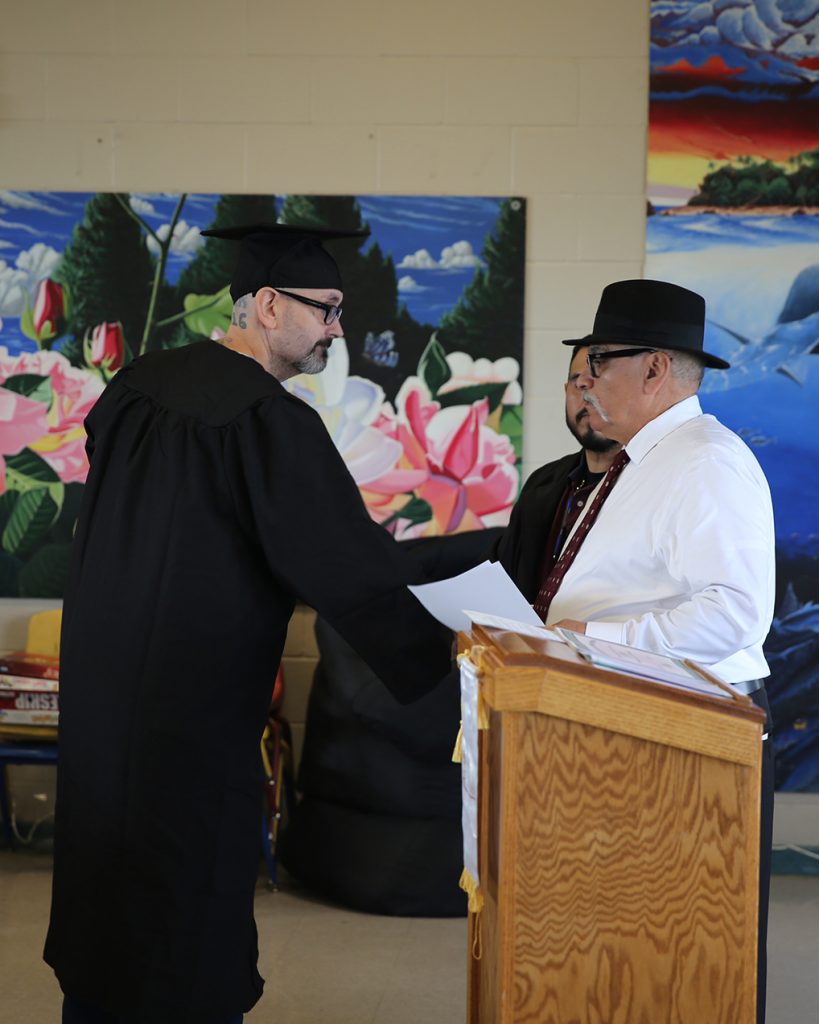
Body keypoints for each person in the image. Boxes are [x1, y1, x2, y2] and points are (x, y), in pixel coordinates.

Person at [44, 224, 450, 1024]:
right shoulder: (270, 422)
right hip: (192, 713)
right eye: (326, 309)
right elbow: (346, 568)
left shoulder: (134, 388)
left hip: (101, 700)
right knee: (184, 908)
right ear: (268, 306)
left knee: (105, 886)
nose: (337, 329)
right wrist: (444, 663)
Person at [536, 278, 775, 1024]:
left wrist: (591, 639)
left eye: (599, 360)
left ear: (652, 370)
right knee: (628, 947)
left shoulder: (704, 461)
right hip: (627, 729)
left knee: (687, 953)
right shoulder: (646, 457)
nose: (587, 378)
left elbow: (735, 611)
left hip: (686, 739)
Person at [494, 344, 621, 595]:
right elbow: (505, 580)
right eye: (578, 383)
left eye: (599, 380)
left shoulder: (647, 483)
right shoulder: (542, 482)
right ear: (566, 391)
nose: (588, 395)